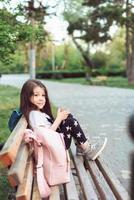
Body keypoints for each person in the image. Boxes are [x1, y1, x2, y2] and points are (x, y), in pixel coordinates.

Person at [20, 79, 107, 161]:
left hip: (54, 143)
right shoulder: (34, 114)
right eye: (36, 95)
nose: (41, 98)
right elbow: (45, 136)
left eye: (43, 95)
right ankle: (88, 150)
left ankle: (81, 147)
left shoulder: (38, 112)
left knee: (68, 117)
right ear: (27, 96)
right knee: (70, 122)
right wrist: (59, 119)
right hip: (52, 148)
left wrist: (60, 118)